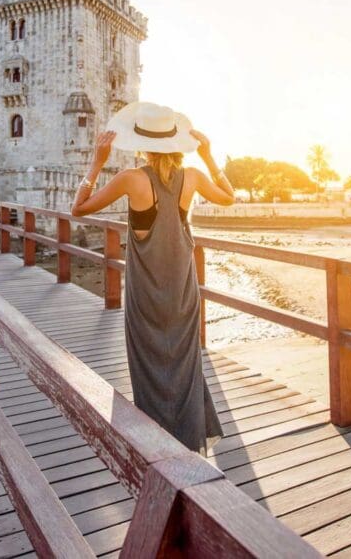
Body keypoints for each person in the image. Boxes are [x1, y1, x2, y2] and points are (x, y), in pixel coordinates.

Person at [71, 102, 236, 453]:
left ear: (142, 144)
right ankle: (189, 441)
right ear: (175, 143)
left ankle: (156, 444)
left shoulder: (131, 179)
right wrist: (207, 156)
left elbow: (79, 209)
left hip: (145, 288)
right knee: (185, 361)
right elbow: (229, 198)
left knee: (147, 362)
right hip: (183, 287)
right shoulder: (192, 177)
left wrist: (96, 163)